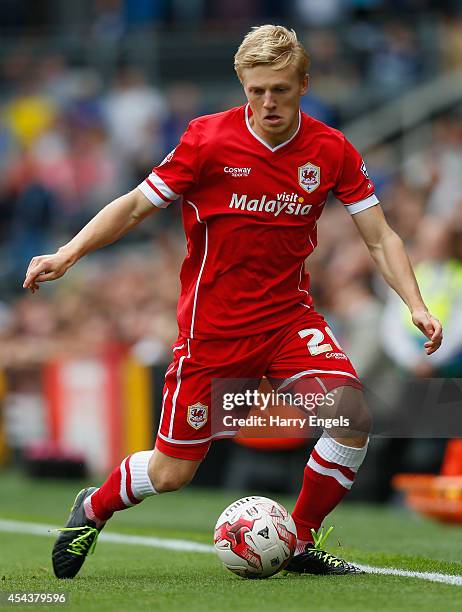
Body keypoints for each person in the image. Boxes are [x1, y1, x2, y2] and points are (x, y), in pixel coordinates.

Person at [23, 25, 442, 579]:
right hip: (213, 332)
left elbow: (380, 236)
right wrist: (69, 252)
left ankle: (298, 541)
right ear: (242, 85)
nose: (268, 103)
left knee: (352, 416)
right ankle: (93, 507)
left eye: (281, 90)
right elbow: (131, 207)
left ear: (304, 84)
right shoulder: (206, 141)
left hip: (289, 320)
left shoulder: (331, 149)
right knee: (173, 474)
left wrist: (415, 303)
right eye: (256, 90)